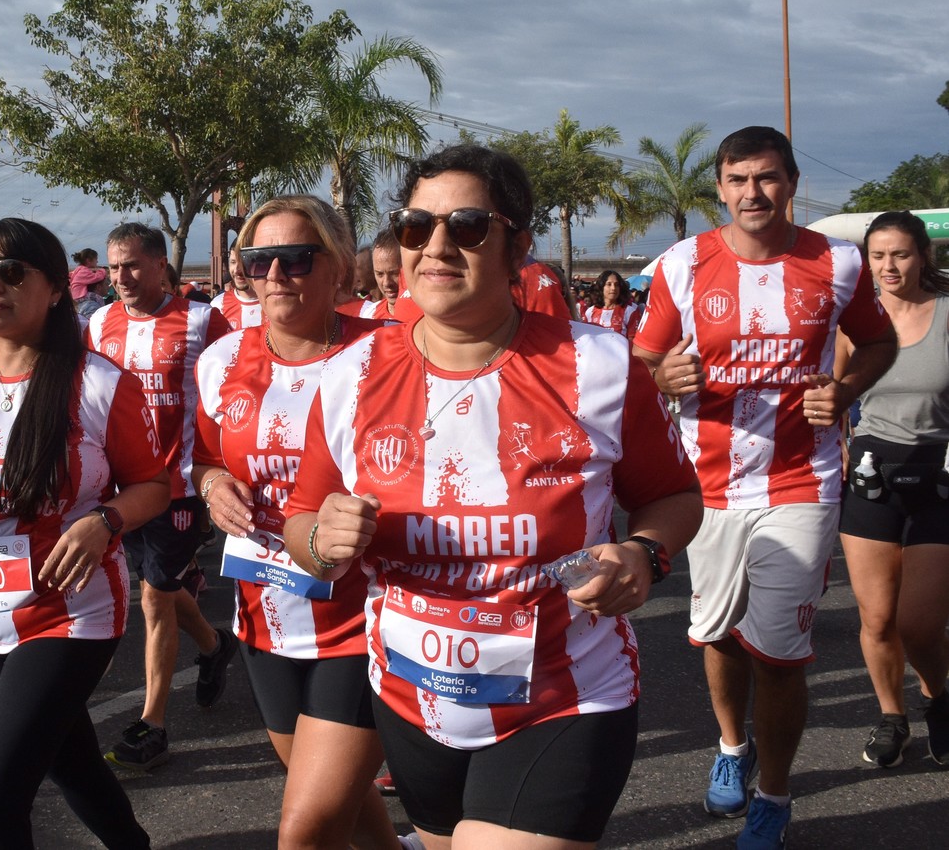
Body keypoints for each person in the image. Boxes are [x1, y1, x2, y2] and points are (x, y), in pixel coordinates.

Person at [285, 145, 703, 849]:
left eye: (469, 226)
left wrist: (642, 553)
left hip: (563, 696)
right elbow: (304, 525)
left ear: (518, 247)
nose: (437, 246)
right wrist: (320, 543)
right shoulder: (347, 375)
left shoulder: (598, 365)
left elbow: (672, 498)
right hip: (410, 697)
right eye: (417, 227)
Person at [634, 126, 897, 849]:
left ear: (789, 183)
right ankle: (729, 747)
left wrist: (842, 391)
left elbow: (879, 341)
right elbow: (642, 356)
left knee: (779, 653)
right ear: (718, 187)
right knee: (715, 633)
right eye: (738, 179)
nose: (753, 192)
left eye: (767, 177)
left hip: (798, 481)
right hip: (708, 485)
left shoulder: (836, 262)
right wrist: (661, 377)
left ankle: (773, 795)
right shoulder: (682, 265)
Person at [0, 217, 169, 849]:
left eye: (12, 271)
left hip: (71, 611)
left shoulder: (97, 382)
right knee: (68, 759)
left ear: (53, 289)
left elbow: (153, 485)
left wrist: (106, 521)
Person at [193, 195, 399, 849]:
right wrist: (209, 483)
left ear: (337, 267)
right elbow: (202, 456)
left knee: (304, 829)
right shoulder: (219, 361)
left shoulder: (390, 354)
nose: (275, 276)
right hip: (264, 612)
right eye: (258, 261)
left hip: (366, 617)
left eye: (295, 258)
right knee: (331, 797)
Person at [89, 221, 237, 771]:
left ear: (159, 266)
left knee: (153, 596)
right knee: (162, 586)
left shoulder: (202, 319)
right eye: (112, 266)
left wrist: (218, 474)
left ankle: (152, 724)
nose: (120, 277)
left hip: (177, 485)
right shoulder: (99, 321)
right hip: (121, 485)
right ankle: (213, 646)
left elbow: (232, 392)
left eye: (131, 265)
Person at [834, 211, 949, 767]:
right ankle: (891, 716)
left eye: (900, 254)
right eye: (878, 256)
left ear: (922, 255)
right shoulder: (853, 322)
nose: (889, 266)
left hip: (940, 477)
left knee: (919, 622)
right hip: (872, 475)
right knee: (877, 618)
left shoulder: (947, 315)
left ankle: (938, 699)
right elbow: (827, 401)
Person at [360, 230, 423, 325]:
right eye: (380, 274)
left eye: (394, 273)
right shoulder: (369, 315)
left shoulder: (429, 312)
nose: (386, 283)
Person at [210, 244, 263, 329]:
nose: (237, 270)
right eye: (233, 262)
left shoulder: (274, 303)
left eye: (244, 263)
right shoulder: (217, 305)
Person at [581, 269, 642, 337]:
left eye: (616, 285)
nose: (613, 288)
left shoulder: (630, 312)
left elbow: (634, 340)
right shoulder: (590, 312)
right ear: (601, 287)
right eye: (609, 284)